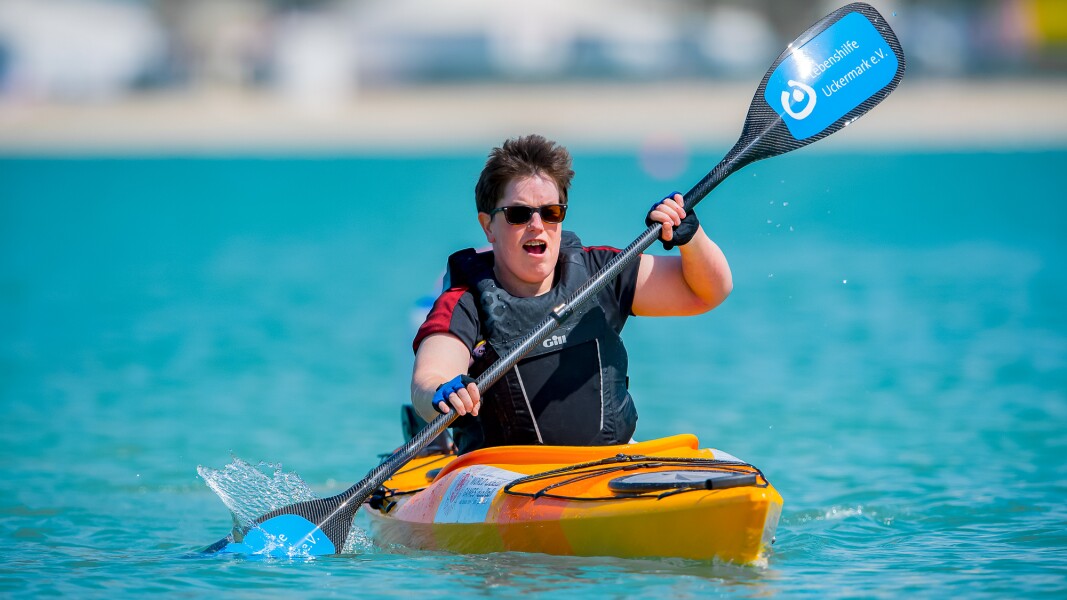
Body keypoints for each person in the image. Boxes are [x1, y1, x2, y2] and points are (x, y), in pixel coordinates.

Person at [411, 134, 732, 453]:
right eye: (518, 214)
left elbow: (707, 292)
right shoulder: (465, 302)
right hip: (504, 470)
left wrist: (692, 238)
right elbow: (429, 378)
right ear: (488, 227)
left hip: (612, 459)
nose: (537, 225)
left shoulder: (601, 273)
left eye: (550, 212)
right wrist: (443, 392)